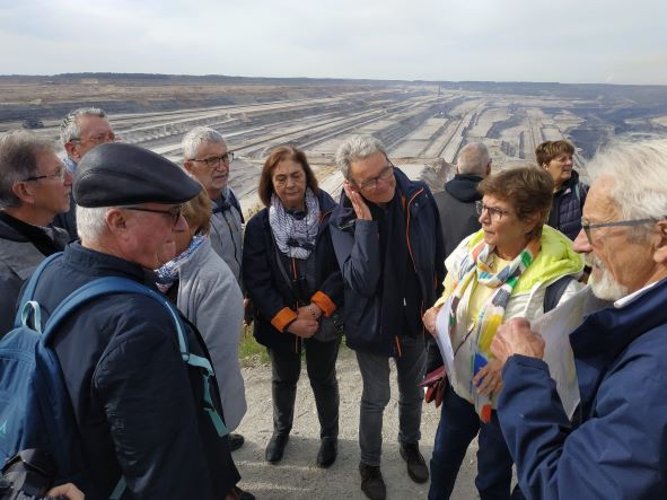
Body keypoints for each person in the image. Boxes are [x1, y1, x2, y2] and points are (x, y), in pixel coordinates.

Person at [27, 143, 240, 499]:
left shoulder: (47, 274)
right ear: (119, 221)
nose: (183, 225)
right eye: (171, 214)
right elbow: (165, 476)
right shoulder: (138, 325)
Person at [492, 139, 667, 498]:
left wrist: (523, 369)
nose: (580, 245)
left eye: (595, 229)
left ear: (661, 239)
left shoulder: (653, 375)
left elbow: (565, 489)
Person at [422, 166, 584, 500]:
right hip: (462, 385)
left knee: (491, 478)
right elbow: (451, 290)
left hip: (506, 399)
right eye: (484, 207)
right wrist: (438, 310)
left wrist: (511, 363)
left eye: (497, 212)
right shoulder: (473, 250)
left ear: (530, 220)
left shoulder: (557, 280)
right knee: (442, 461)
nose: (483, 219)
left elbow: (561, 350)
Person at [330, 135, 444, 500]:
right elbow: (360, 282)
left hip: (414, 319)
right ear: (351, 186)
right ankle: (370, 463)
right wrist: (365, 224)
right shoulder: (343, 220)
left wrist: (437, 302)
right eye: (371, 180)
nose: (384, 183)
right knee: (375, 398)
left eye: (386, 170)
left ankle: (409, 445)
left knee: (412, 392)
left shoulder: (419, 197)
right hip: (374, 326)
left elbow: (437, 254)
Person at [243, 145, 343, 468]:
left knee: (323, 378)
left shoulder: (331, 216)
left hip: (321, 319)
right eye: (281, 178)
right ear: (270, 182)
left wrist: (315, 309)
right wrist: (288, 320)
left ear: (307, 176)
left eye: (296, 176)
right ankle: (281, 431)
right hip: (280, 323)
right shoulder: (259, 226)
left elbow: (342, 269)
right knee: (283, 378)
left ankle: (329, 436)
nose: (289, 184)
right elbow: (257, 280)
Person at [181, 126, 246, 450]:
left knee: (225, 375)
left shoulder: (230, 197)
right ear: (188, 166)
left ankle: (219, 430)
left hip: (230, 302)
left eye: (224, 157)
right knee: (204, 380)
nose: (222, 166)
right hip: (201, 314)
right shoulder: (184, 212)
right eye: (211, 160)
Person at [0, 130, 71, 336]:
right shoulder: (6, 275)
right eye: (58, 173)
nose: (69, 179)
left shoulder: (55, 237)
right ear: (25, 191)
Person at [54, 107, 116, 241]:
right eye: (99, 138)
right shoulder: (56, 192)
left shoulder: (116, 179)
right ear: (73, 149)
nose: (110, 144)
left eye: (111, 137)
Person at [434, 142, 491, 259]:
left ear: (457, 169)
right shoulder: (495, 211)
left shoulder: (432, 202)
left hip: (437, 276)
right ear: (488, 168)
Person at [536, 139, 588, 240]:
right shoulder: (532, 194)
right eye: (562, 159)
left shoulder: (582, 192)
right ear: (545, 165)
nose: (569, 163)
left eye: (570, 158)